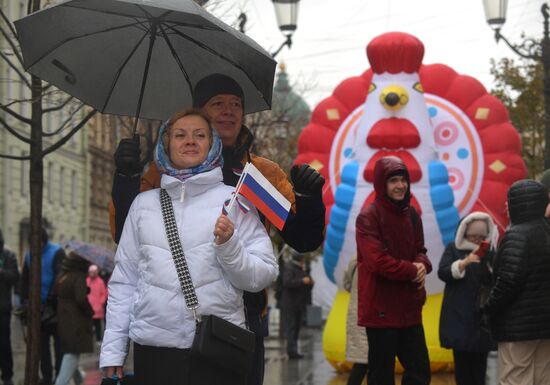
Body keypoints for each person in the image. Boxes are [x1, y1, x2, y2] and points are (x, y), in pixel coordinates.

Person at [110, 73, 325, 385]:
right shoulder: (165, 170)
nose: (229, 111)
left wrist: (308, 200)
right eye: (218, 104)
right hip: (170, 329)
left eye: (236, 105)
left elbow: (302, 238)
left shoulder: (259, 174)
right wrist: (126, 178)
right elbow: (126, 235)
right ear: (199, 113)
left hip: (242, 321)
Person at [100, 109, 278, 385]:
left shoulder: (234, 202)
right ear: (166, 145)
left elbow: (262, 275)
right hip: (155, 352)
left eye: (200, 135)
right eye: (180, 135)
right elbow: (125, 282)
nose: (190, 141)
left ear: (212, 144)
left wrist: (230, 246)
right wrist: (113, 351)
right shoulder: (143, 205)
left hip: (217, 350)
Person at [355, 156, 432, 385]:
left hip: (409, 309)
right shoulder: (368, 217)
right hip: (380, 312)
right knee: (381, 376)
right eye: (394, 181)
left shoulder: (412, 215)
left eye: (403, 180)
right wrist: (412, 270)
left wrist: (422, 265)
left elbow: (421, 250)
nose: (401, 185)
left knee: (420, 372)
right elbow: (377, 261)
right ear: (381, 184)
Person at [482, 179, 550, 385]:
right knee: (543, 378)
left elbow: (508, 281)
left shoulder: (517, 235)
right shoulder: (546, 231)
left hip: (517, 327)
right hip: (545, 325)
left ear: (517, 203)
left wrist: (489, 307)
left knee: (515, 378)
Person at [438, 212, 498, 385]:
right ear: (464, 233)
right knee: (463, 369)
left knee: (480, 370)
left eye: (481, 237)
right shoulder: (453, 249)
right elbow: (443, 272)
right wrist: (464, 263)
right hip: (459, 318)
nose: (477, 240)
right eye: (473, 236)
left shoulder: (490, 254)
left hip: (482, 321)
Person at [20, 228, 65, 385]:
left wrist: (51, 299)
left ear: (44, 241)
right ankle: (46, 379)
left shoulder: (57, 252)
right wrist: (24, 302)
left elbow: (60, 276)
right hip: (38, 310)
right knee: (42, 348)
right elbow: (24, 281)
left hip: (55, 309)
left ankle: (59, 377)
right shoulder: (28, 256)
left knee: (59, 347)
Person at [54, 252, 93, 385]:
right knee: (73, 353)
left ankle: (78, 379)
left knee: (71, 350)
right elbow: (81, 298)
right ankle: (60, 382)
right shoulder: (79, 276)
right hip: (76, 321)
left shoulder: (62, 275)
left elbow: (62, 292)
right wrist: (90, 311)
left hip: (64, 319)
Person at [280, 252, 314, 359]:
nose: (303, 262)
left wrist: (310, 283)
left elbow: (306, 286)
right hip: (290, 304)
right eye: (302, 260)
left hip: (299, 304)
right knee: (291, 328)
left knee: (297, 328)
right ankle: (291, 351)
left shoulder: (301, 270)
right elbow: (287, 282)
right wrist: (302, 281)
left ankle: (293, 350)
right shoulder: (289, 268)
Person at [342, 256, 368, 385]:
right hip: (370, 314)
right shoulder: (386, 257)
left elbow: (347, 284)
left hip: (357, 313)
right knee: (369, 363)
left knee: (362, 362)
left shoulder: (355, 259)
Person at [0, 229, 19, 385]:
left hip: (3, 307)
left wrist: (1, 272)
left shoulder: (8, 256)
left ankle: (7, 375)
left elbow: (14, 277)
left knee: (4, 342)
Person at [86, 264, 107, 343]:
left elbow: (103, 293)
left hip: (97, 307)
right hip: (88, 306)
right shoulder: (87, 280)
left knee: (97, 325)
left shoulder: (100, 282)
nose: (92, 274)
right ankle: (89, 339)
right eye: (90, 272)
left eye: (93, 272)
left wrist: (101, 303)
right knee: (89, 325)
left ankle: (98, 339)